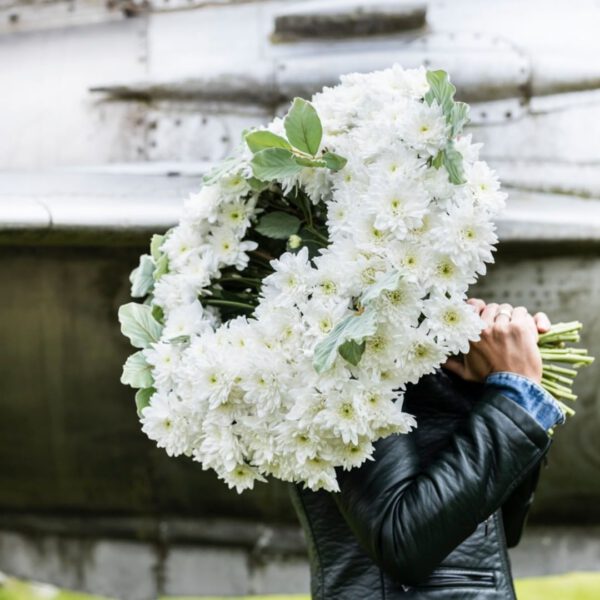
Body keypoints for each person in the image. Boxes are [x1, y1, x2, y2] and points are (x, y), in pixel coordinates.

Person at [290, 300, 565, 599]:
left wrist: (489, 388)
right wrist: (517, 395)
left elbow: (499, 532)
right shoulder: (338, 337)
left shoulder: (415, 308)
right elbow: (403, 541)